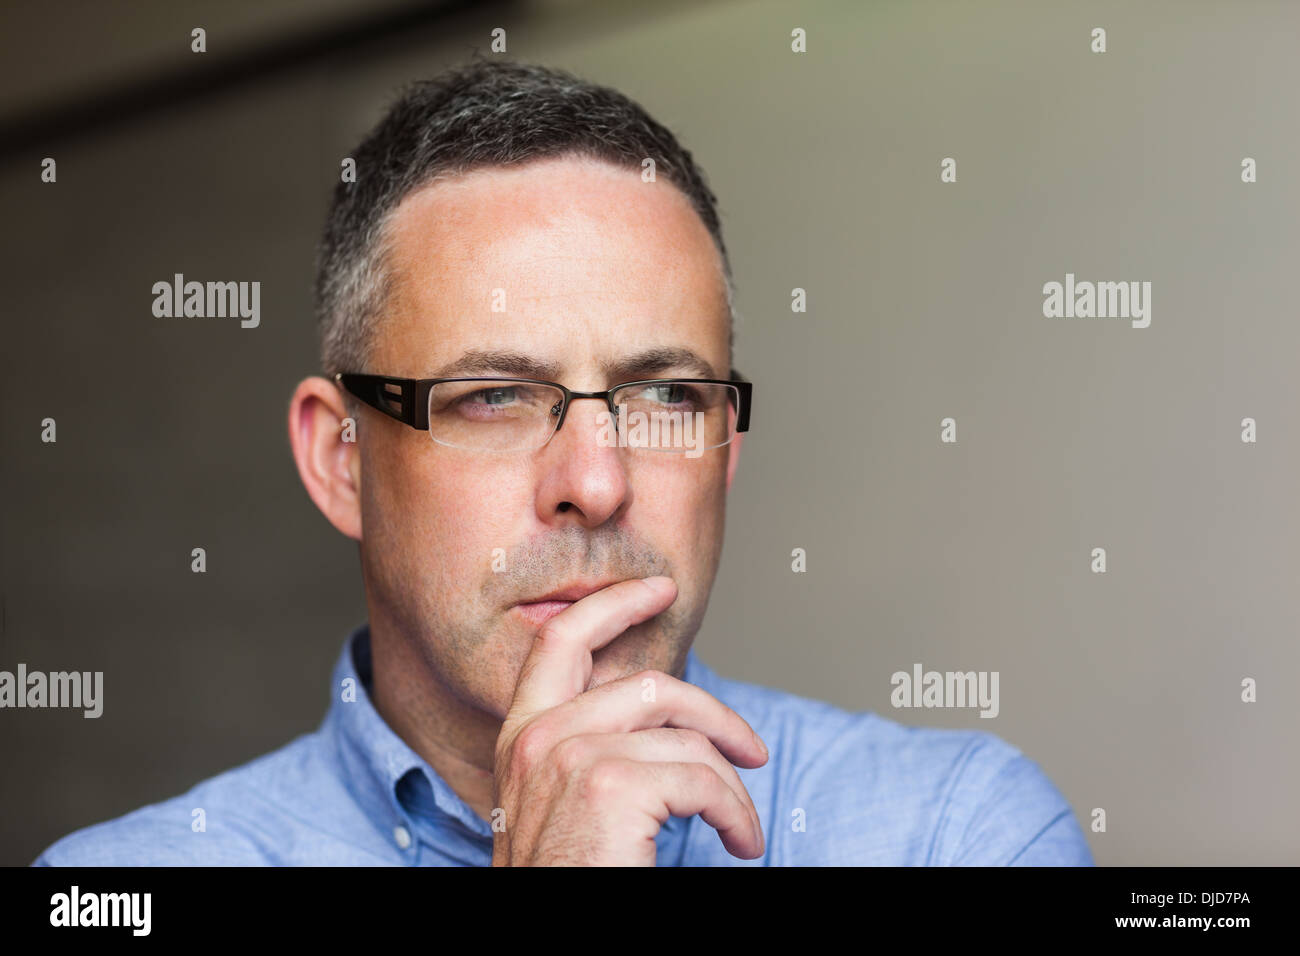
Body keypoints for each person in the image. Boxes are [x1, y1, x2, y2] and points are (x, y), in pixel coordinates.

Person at [35, 57, 1092, 866]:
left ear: (725, 450)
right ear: (339, 457)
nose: (595, 480)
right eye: (495, 396)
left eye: (667, 395)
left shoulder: (954, 833)